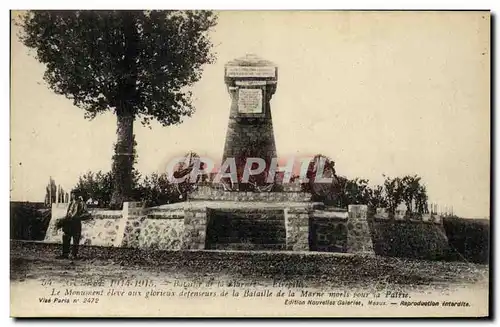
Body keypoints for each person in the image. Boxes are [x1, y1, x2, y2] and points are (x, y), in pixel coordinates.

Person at [56, 193, 89, 260]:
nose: (73, 196)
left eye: (74, 194)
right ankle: (65, 254)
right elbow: (68, 213)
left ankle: (74, 255)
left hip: (76, 222)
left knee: (76, 239)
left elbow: (86, 213)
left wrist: (78, 217)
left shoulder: (81, 203)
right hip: (69, 222)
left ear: (77, 195)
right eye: (72, 194)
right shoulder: (71, 203)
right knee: (65, 237)